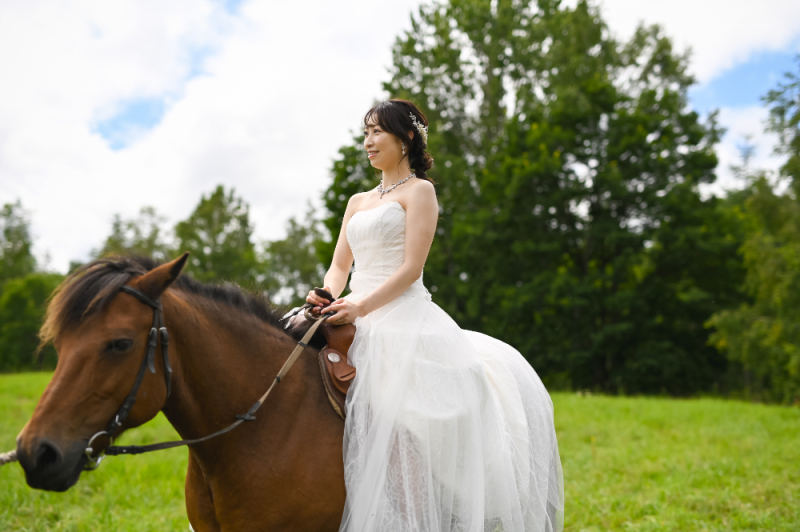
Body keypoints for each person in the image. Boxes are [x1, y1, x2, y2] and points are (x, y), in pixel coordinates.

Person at [306, 99, 564, 532]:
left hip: (401, 314)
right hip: (350, 308)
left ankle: (424, 508)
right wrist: (328, 294)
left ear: (405, 139)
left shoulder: (420, 192)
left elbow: (411, 269)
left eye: (376, 132)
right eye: (365, 133)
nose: (367, 142)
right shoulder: (357, 200)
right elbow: (340, 266)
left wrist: (362, 306)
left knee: (411, 413)